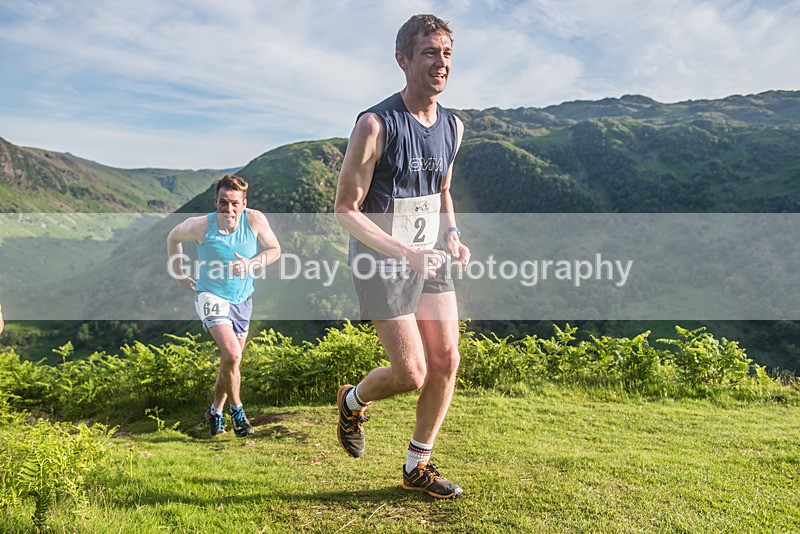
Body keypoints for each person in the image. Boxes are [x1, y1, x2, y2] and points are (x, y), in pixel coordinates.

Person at [334, 14, 469, 499]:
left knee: (447, 358)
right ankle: (352, 401)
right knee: (411, 374)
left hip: (428, 257)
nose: (441, 63)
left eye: (447, 54)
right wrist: (404, 251)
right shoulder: (375, 124)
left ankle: (418, 465)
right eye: (430, 53)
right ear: (403, 60)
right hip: (380, 258)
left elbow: (443, 190)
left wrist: (451, 234)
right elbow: (345, 210)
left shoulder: (453, 126)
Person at [167, 175, 280, 437]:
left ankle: (214, 412)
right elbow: (173, 238)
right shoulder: (200, 226)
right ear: (215, 201)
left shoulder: (255, 220)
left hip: (242, 298)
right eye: (223, 203)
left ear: (244, 203)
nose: (228, 209)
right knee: (232, 355)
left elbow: (274, 249)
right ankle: (238, 414)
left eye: (234, 204)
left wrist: (253, 263)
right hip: (210, 295)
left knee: (230, 362)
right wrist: (179, 274)